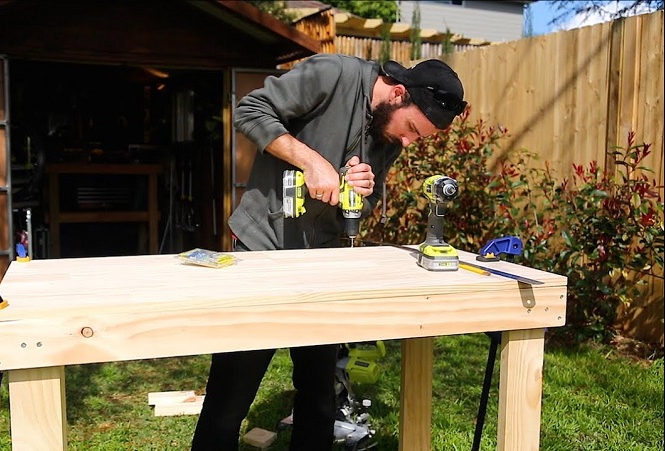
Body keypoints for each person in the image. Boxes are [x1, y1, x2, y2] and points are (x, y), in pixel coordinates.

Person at [191, 53, 466, 450]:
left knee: (319, 394)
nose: (407, 141)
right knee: (231, 392)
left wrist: (363, 192)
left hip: (324, 260)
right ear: (399, 93)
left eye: (417, 137)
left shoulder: (389, 130)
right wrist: (311, 160)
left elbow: (364, 205)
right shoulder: (333, 74)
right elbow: (249, 109)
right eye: (410, 129)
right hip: (264, 245)